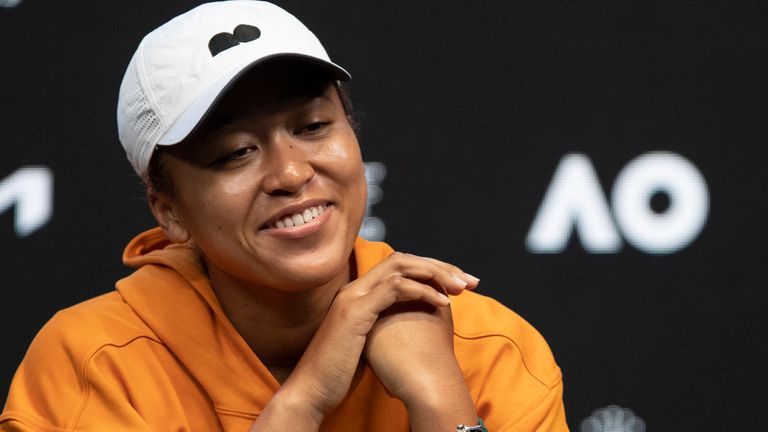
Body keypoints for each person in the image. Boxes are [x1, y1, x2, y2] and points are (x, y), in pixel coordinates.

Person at [0, 1, 568, 431]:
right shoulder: (98, 364)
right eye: (235, 154)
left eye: (312, 127)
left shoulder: (486, 347)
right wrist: (305, 399)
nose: (291, 174)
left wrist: (441, 403)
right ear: (169, 210)